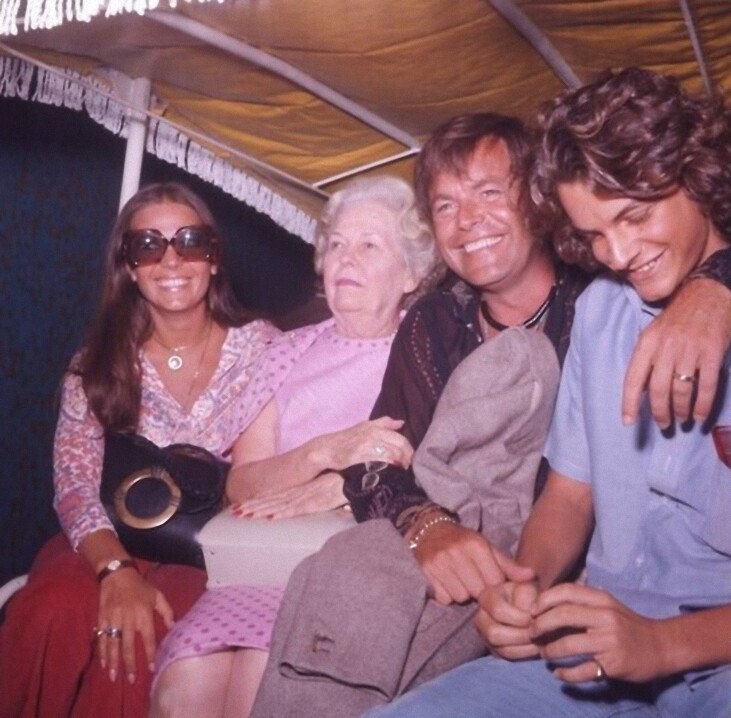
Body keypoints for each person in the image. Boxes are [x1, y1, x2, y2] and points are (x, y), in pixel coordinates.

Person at [249, 108, 731, 717]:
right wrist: (433, 530)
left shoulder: (596, 291)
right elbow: (382, 454)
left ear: (538, 201)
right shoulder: (443, 321)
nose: (467, 220)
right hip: (530, 583)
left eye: (487, 193)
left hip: (614, 605)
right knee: (349, 573)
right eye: (445, 205)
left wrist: (716, 283)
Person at [149, 175, 441, 718]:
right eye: (338, 244)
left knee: (258, 686)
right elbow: (241, 483)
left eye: (370, 245)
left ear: (412, 273)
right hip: (257, 564)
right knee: (182, 687)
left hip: (339, 577)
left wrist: (340, 486)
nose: (346, 258)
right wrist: (322, 452)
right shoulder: (287, 352)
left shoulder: (429, 355)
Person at [0, 182, 281, 718]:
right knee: (48, 613)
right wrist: (115, 571)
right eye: (148, 245)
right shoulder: (96, 363)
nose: (171, 260)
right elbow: (75, 484)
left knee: (138, 644)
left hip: (204, 551)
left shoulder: (264, 348)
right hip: (105, 535)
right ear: (128, 266)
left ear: (214, 257)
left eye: (189, 241)